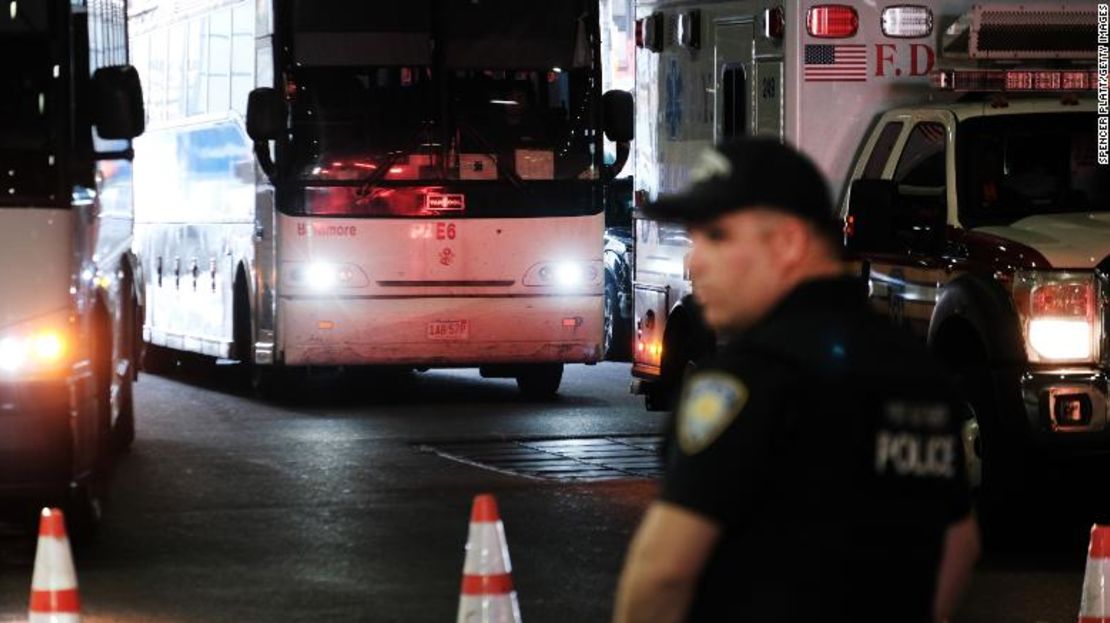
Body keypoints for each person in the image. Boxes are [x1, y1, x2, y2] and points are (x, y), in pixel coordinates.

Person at [612, 139, 979, 623]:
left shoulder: (747, 381)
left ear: (786, 243)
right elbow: (958, 547)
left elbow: (663, 573)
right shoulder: (918, 373)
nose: (695, 262)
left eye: (717, 236)